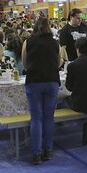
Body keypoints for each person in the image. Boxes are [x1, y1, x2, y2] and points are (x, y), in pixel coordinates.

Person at [22, 18, 61, 164]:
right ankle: (48, 150)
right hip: (52, 81)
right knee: (49, 117)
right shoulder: (55, 43)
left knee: (36, 118)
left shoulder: (28, 42)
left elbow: (25, 63)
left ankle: (36, 154)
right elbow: (58, 62)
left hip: (34, 81)